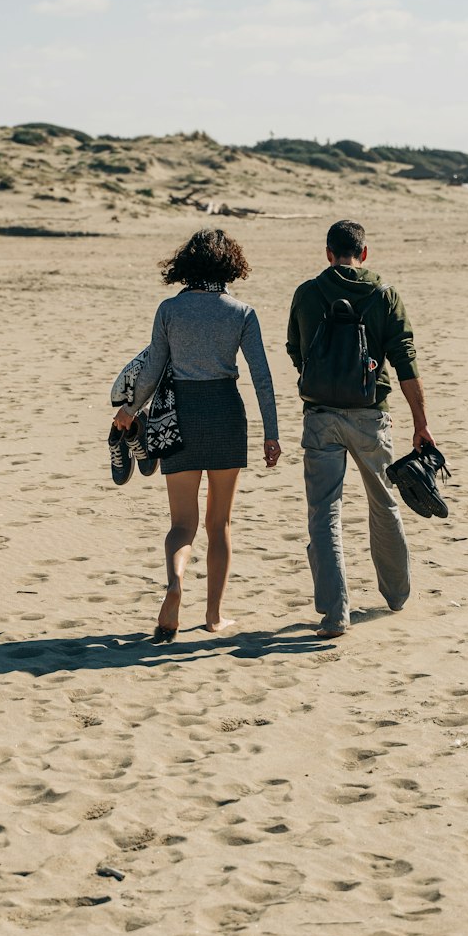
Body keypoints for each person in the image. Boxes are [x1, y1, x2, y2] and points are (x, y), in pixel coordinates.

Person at [113, 228, 281, 640]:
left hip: (178, 417)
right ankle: (214, 616)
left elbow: (152, 369)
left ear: (187, 264)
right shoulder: (242, 312)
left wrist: (129, 411)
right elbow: (262, 378)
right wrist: (271, 434)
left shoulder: (170, 310)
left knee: (182, 524)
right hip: (225, 414)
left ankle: (175, 582)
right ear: (230, 265)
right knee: (218, 523)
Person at [286, 219, 436, 638]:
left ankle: (335, 614)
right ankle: (397, 595)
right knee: (383, 502)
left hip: (320, 417)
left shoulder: (308, 293)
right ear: (364, 253)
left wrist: (319, 378)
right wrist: (421, 423)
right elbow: (406, 360)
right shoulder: (383, 294)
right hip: (372, 416)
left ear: (328, 253)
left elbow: (294, 349)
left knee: (324, 513)